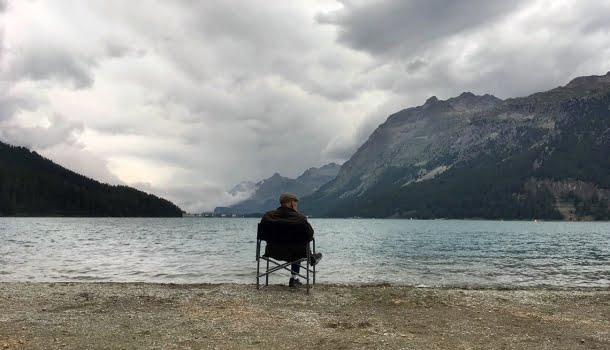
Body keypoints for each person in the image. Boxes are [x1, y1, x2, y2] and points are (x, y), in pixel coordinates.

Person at [260, 192, 322, 287]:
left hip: (272, 251)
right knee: (299, 247)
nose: (297, 204)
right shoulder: (300, 219)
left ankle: (294, 278)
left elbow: (262, 235)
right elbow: (310, 235)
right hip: (297, 253)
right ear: (292, 203)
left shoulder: (267, 217)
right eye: (296, 202)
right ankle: (297, 276)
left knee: (297, 246)